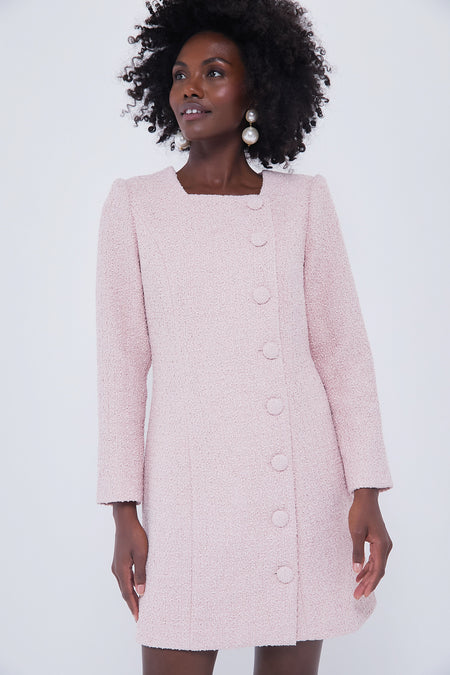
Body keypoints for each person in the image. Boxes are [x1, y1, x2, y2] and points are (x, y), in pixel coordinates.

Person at [95, 1, 394, 673]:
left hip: (299, 488)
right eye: (179, 74)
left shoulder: (303, 202)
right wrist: (123, 510)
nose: (190, 88)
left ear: (256, 86)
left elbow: (343, 354)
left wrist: (367, 490)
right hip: (187, 497)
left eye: (214, 72)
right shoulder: (135, 206)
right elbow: (121, 367)